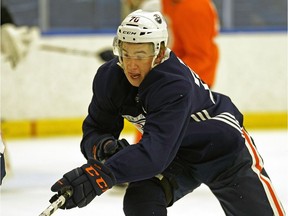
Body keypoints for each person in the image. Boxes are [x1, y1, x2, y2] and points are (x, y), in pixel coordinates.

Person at [50, 10, 285, 216]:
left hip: (223, 151)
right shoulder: (109, 77)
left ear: (160, 52)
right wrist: (103, 147)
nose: (131, 65)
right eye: (126, 52)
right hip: (177, 154)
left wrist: (102, 174)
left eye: (141, 55)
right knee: (141, 199)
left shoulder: (172, 84)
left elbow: (155, 155)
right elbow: (96, 128)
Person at [162, 0, 219, 88]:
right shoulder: (168, 3)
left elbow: (199, 57)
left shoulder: (194, 8)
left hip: (191, 82)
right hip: (177, 74)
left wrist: (166, 74)